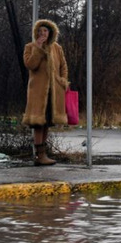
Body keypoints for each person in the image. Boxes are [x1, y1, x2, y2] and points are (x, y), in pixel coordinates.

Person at [22, 19, 69, 166]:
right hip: (38, 91)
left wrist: (62, 81)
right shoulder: (30, 47)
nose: (43, 33)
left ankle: (44, 154)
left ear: (50, 33)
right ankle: (39, 155)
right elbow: (30, 65)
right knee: (38, 123)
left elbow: (63, 66)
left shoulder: (57, 48)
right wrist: (38, 49)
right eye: (40, 31)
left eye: (45, 31)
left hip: (54, 92)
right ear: (36, 33)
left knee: (47, 123)